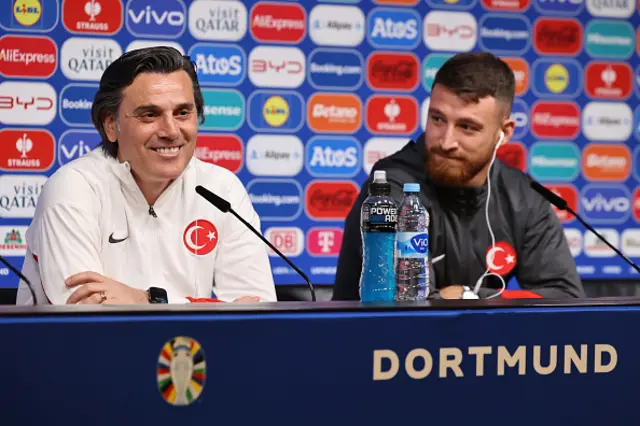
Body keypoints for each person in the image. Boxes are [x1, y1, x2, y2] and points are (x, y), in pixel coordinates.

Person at [16, 47, 277, 305]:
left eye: (183, 113)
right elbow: (86, 315)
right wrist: (209, 309)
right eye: (150, 115)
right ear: (111, 125)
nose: (171, 131)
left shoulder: (222, 189)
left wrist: (144, 300)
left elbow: (257, 312)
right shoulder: (73, 187)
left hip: (186, 347)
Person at [333, 52, 585, 301]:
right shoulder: (391, 188)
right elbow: (411, 305)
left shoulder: (523, 197)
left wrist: (470, 296)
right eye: (438, 119)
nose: (446, 141)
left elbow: (567, 299)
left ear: (504, 133)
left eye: (466, 127)